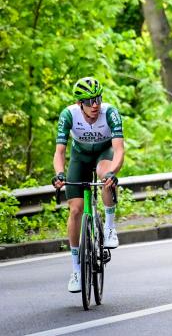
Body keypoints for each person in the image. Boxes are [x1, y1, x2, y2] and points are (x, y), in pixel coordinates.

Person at [52, 77, 124, 293]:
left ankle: (110, 228)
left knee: (105, 175)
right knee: (75, 210)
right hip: (80, 157)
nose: (95, 105)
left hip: (104, 153)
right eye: (90, 101)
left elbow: (119, 149)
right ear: (79, 103)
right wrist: (59, 174)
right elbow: (60, 152)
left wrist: (113, 171)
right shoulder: (68, 115)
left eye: (98, 99)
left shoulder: (110, 112)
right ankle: (76, 269)